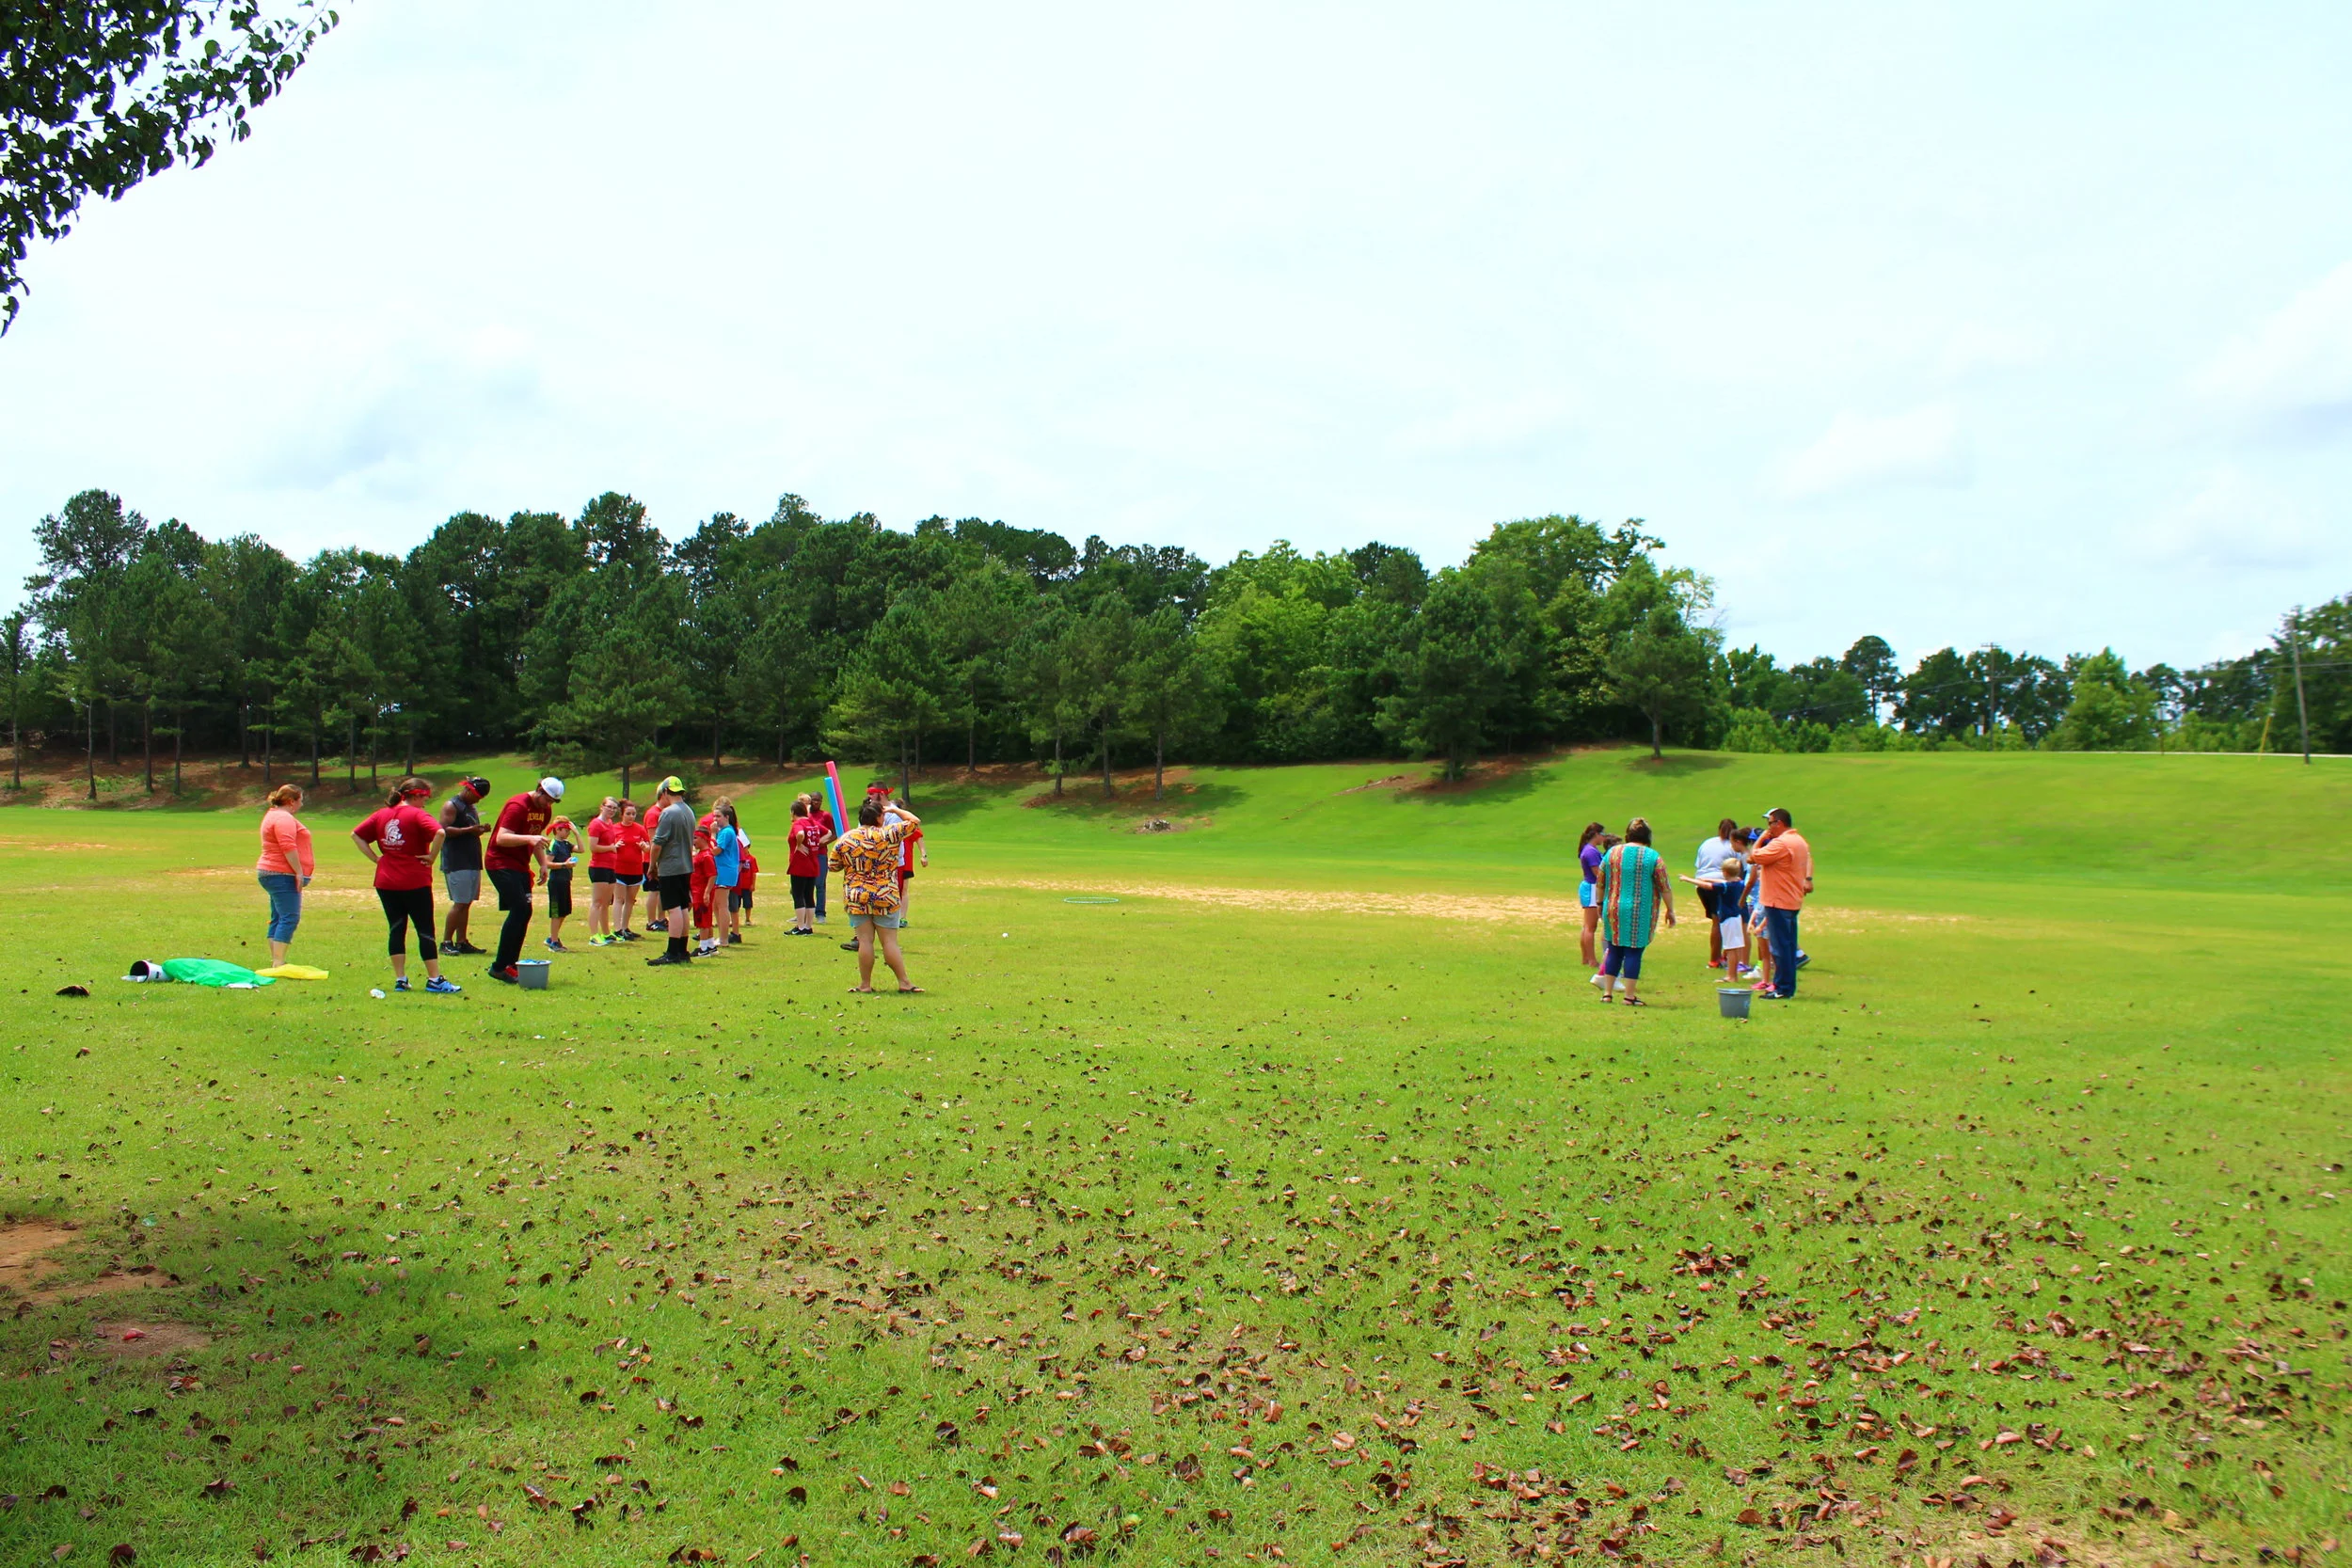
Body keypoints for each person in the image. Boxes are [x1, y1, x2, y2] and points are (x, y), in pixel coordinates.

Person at [352, 776, 459, 993]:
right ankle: (434, 979)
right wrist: (431, 856)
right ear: (417, 795)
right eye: (424, 798)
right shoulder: (417, 814)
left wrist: (376, 858)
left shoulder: (382, 814)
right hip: (414, 880)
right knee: (424, 929)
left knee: (396, 928)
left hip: (386, 880)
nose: (425, 803)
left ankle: (401, 979)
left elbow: (356, 834)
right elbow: (440, 832)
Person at [830, 796, 924, 993]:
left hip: (857, 895)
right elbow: (914, 821)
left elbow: (833, 866)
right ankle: (904, 982)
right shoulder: (889, 834)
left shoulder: (846, 838)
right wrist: (895, 810)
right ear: (880, 818)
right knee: (889, 942)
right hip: (885, 894)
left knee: (864, 941)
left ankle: (865, 984)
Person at [483, 776, 563, 985]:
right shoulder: (517, 806)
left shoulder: (545, 811)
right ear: (539, 790)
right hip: (499, 862)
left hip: (520, 864)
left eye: (553, 802)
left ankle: (511, 964)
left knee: (524, 911)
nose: (548, 804)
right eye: (547, 799)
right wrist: (529, 839)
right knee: (520, 908)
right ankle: (499, 967)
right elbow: (501, 838)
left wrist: (543, 864)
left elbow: (536, 840)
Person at [1597, 817, 1675, 1006]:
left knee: (1614, 948)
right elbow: (1664, 886)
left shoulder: (1612, 853)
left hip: (1613, 907)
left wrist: (1600, 903)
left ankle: (1607, 993)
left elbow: (1600, 880)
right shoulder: (1652, 856)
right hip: (1640, 910)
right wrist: (1670, 910)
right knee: (1633, 952)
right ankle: (1629, 996)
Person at [1746, 807, 1814, 1001]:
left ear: (1780, 823)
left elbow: (1753, 857)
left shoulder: (1782, 843)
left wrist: (1761, 838)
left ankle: (1782, 988)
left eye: (1771, 824)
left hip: (1777, 900)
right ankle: (1787, 986)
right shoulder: (1800, 841)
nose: (1769, 829)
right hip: (1791, 899)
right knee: (1788, 944)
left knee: (1779, 947)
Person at [255, 783, 313, 966]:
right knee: (290, 917)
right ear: (291, 801)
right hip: (281, 873)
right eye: (300, 801)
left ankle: (276, 960)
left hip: (271, 872)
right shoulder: (283, 818)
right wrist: (298, 872)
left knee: (279, 917)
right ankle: (278, 962)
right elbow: (288, 846)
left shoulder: (272, 815)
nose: (301, 805)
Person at [644, 776, 699, 967]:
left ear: (666, 792)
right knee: (683, 907)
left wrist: (652, 865)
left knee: (673, 908)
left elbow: (658, 843)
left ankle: (672, 951)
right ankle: (682, 950)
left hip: (671, 866)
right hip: (685, 865)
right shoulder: (689, 811)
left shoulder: (668, 813)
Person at [438, 775, 491, 955]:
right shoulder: (451, 805)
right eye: (476, 794)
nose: (478, 799)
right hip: (456, 860)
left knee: (467, 903)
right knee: (459, 903)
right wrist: (470, 830)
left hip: (471, 859)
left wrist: (480, 829)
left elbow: (469, 831)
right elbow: (443, 830)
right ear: (467, 789)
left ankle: (461, 941)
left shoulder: (470, 807)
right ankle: (446, 942)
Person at [1679, 850, 1750, 982]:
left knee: (1730, 948)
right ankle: (1732, 974)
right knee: (1735, 948)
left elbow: (1709, 886)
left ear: (1725, 873)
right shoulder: (1739, 883)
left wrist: (1689, 879)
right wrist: (1707, 878)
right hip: (1736, 918)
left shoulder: (1725, 886)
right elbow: (1720, 881)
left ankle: (1731, 976)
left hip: (1728, 919)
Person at [1694, 816, 1737, 972]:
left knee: (1716, 921)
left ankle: (1720, 956)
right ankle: (1716, 959)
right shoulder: (1733, 847)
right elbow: (1739, 868)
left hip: (1701, 884)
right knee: (1721, 922)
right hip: (1719, 885)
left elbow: (1699, 865)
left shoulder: (1707, 843)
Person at [787, 796, 831, 936]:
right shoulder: (812, 822)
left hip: (800, 864)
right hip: (813, 863)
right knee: (809, 895)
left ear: (794, 812)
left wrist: (799, 845)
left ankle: (800, 927)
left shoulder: (798, 824)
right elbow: (828, 832)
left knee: (798, 894)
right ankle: (808, 927)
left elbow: (800, 833)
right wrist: (817, 844)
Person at [584, 797, 623, 945]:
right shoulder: (596, 824)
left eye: (614, 808)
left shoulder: (610, 823)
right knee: (597, 902)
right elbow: (593, 847)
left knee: (606, 902)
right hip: (598, 866)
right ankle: (594, 935)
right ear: (602, 807)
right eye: (609, 807)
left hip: (610, 866)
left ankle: (606, 933)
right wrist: (612, 848)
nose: (612, 810)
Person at [613, 800, 650, 940]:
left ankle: (625, 927)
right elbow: (608, 844)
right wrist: (615, 845)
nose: (631, 816)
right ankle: (617, 929)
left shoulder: (640, 829)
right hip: (619, 868)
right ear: (622, 814)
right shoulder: (615, 829)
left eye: (634, 814)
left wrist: (644, 847)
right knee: (619, 899)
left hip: (635, 869)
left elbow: (648, 846)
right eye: (628, 814)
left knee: (630, 900)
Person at [711, 798, 743, 947]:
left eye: (718, 816)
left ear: (726, 817)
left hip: (724, 871)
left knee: (722, 905)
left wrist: (712, 835)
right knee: (717, 906)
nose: (715, 819)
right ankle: (721, 936)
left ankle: (724, 939)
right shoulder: (727, 831)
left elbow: (716, 850)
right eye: (714, 816)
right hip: (725, 871)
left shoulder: (726, 832)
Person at [1574, 821, 1606, 974]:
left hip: (1588, 887)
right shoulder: (1591, 852)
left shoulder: (1588, 850)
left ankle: (1585, 957)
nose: (1603, 837)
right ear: (1596, 835)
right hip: (1592, 888)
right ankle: (1592, 959)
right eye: (1602, 834)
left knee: (1586, 926)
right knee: (1590, 927)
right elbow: (1597, 874)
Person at [543, 816, 578, 952]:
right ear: (558, 830)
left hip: (565, 881)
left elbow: (581, 849)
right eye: (567, 830)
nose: (568, 832)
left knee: (564, 911)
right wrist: (565, 865)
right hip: (556, 882)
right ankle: (554, 942)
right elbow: (547, 863)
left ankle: (552, 938)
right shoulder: (554, 845)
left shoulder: (566, 844)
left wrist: (576, 833)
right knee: (556, 913)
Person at [736, 841, 759, 928]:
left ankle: (747, 919)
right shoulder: (737, 858)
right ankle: (735, 919)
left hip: (747, 885)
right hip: (738, 885)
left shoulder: (752, 859)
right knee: (735, 903)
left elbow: (754, 872)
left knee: (748, 903)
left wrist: (753, 884)